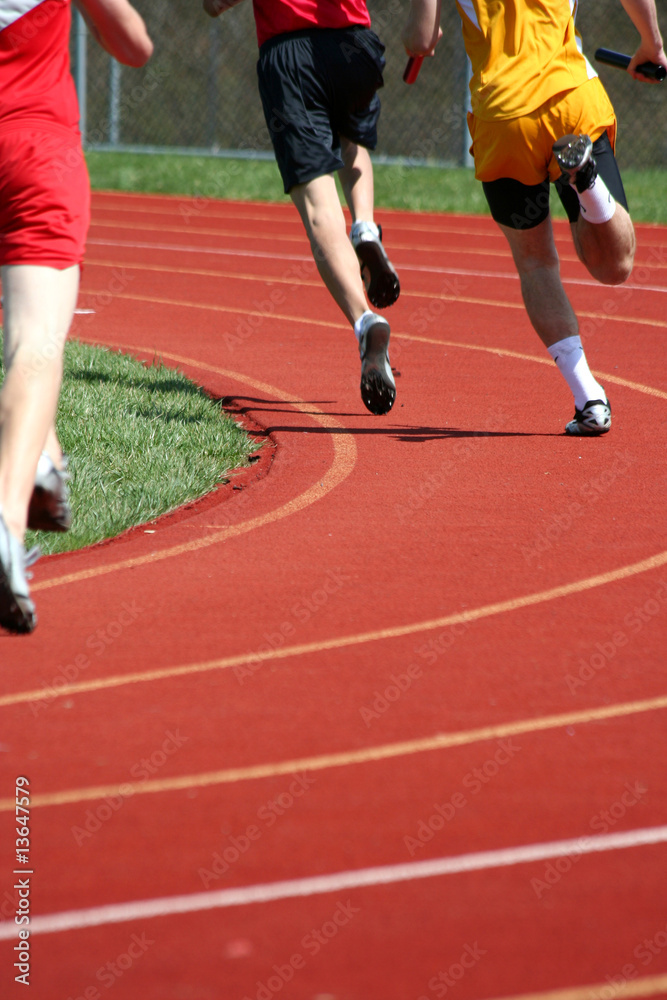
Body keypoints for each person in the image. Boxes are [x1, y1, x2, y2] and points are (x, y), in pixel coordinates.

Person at [403, 0, 666, 435]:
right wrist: (651, 43)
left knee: (536, 262)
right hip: (572, 97)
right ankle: (586, 181)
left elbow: (420, 40)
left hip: (504, 118)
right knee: (614, 267)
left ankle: (590, 399)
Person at [0, 0, 153, 634]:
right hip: (37, 152)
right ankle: (6, 524)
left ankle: (43, 457)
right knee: (36, 340)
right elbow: (134, 45)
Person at [203, 0, 401, 417]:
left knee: (317, 202)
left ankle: (366, 322)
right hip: (355, 43)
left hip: (290, 51)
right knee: (353, 139)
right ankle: (365, 226)